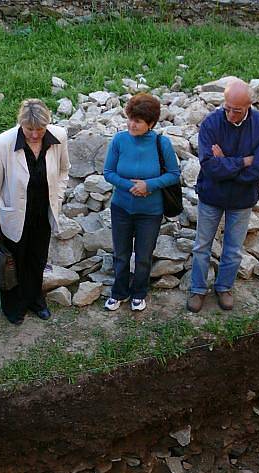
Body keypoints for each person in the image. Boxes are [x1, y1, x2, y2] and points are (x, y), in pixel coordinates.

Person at [187, 78, 259, 313]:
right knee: (202, 246)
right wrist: (242, 162)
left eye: (237, 110)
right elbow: (209, 166)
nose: (231, 114)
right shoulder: (211, 123)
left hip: (242, 199)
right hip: (211, 195)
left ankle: (224, 287)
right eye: (228, 108)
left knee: (233, 249)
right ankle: (197, 289)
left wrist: (225, 162)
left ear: (248, 106)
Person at [0, 99, 70, 325]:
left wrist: (58, 197)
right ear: (21, 124)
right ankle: (14, 307)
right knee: (15, 262)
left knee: (37, 259)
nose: (34, 135)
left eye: (39, 130)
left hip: (43, 211)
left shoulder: (59, 136)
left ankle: (35, 300)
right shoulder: (2, 144)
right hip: (14, 214)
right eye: (29, 129)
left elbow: (64, 170)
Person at [103, 93, 180, 312]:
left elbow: (174, 174)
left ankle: (139, 292)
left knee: (144, 256)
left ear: (151, 123)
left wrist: (149, 185)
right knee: (121, 254)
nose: (131, 124)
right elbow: (108, 172)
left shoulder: (161, 143)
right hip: (121, 208)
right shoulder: (119, 140)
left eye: (137, 121)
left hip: (150, 212)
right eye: (130, 118)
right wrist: (131, 186)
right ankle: (119, 292)